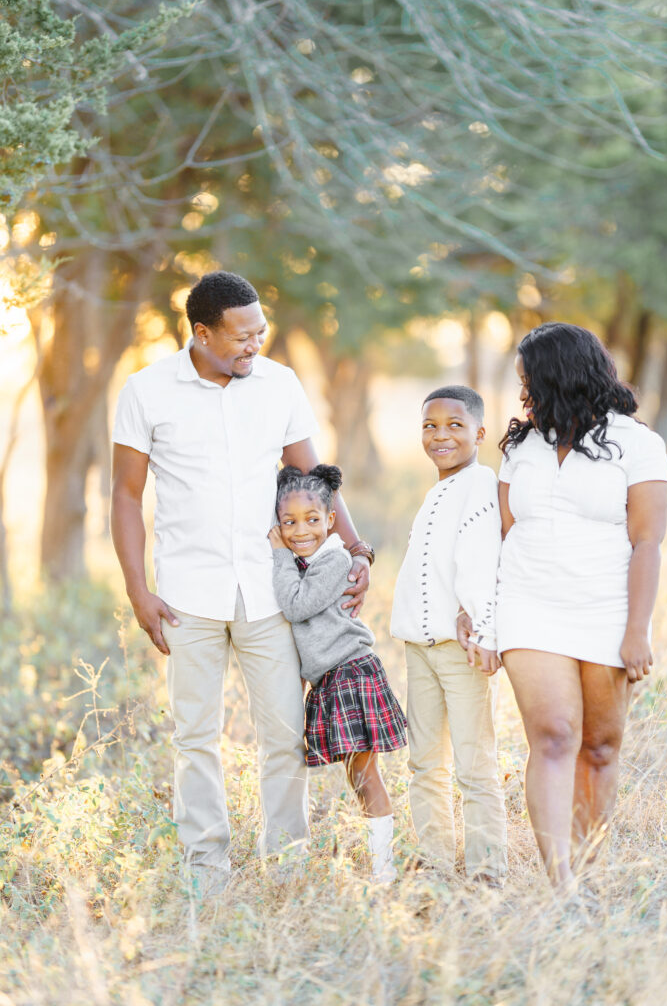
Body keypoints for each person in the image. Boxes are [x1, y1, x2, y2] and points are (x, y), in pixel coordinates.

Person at [110, 270, 375, 891]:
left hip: (269, 590)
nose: (255, 345)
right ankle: (207, 868)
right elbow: (125, 495)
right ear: (201, 333)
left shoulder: (279, 384)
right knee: (194, 737)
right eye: (241, 336)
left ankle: (287, 863)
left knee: (284, 734)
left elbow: (316, 478)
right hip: (186, 596)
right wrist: (137, 591)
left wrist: (355, 548)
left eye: (261, 332)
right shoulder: (146, 391)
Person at [494, 321, 667, 891]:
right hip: (529, 604)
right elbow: (501, 536)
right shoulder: (523, 444)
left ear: (561, 379)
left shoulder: (637, 443)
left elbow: (648, 542)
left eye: (530, 383)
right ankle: (561, 880)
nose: (522, 396)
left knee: (598, 747)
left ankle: (591, 867)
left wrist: (637, 631)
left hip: (605, 609)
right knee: (552, 735)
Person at [390, 385, 508, 886]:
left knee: (474, 762)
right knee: (424, 763)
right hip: (421, 647)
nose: (440, 435)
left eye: (455, 425)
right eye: (430, 426)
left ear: (480, 433)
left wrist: (484, 630)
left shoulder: (481, 484)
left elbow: (480, 564)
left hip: (461, 650)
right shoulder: (437, 491)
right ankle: (433, 861)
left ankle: (487, 870)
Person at [268, 464, 407, 883]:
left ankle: (385, 871)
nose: (299, 531)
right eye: (288, 522)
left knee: (365, 776)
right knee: (356, 774)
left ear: (331, 521)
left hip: (350, 674)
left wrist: (277, 552)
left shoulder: (332, 560)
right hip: (333, 679)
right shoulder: (305, 561)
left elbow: (294, 606)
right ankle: (378, 861)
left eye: (312, 520)